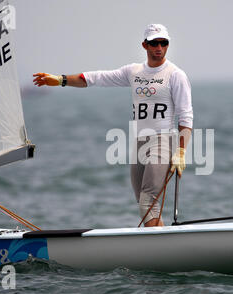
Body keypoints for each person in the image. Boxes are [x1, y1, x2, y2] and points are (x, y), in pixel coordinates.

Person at [33, 24, 193, 227]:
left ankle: (162, 252)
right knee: (143, 203)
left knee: (148, 201)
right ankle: (163, 246)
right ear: (145, 45)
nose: (159, 47)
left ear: (168, 45)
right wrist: (61, 80)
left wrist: (180, 151)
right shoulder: (133, 71)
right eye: (154, 43)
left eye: (163, 43)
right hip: (140, 142)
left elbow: (186, 117)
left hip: (163, 141)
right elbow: (96, 78)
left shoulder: (175, 75)